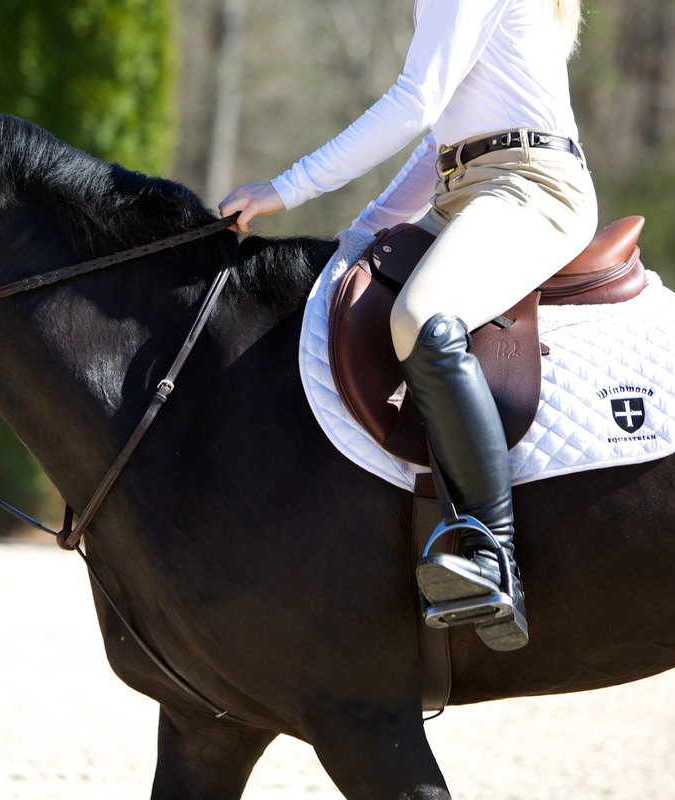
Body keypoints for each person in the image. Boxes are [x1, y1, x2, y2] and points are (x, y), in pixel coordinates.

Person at [219, 0, 596, 651]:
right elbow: (442, 142)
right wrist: (361, 233)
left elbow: (416, 101)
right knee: (348, 290)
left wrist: (289, 187)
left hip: (531, 186)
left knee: (422, 317)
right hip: (468, 187)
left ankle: (490, 551)